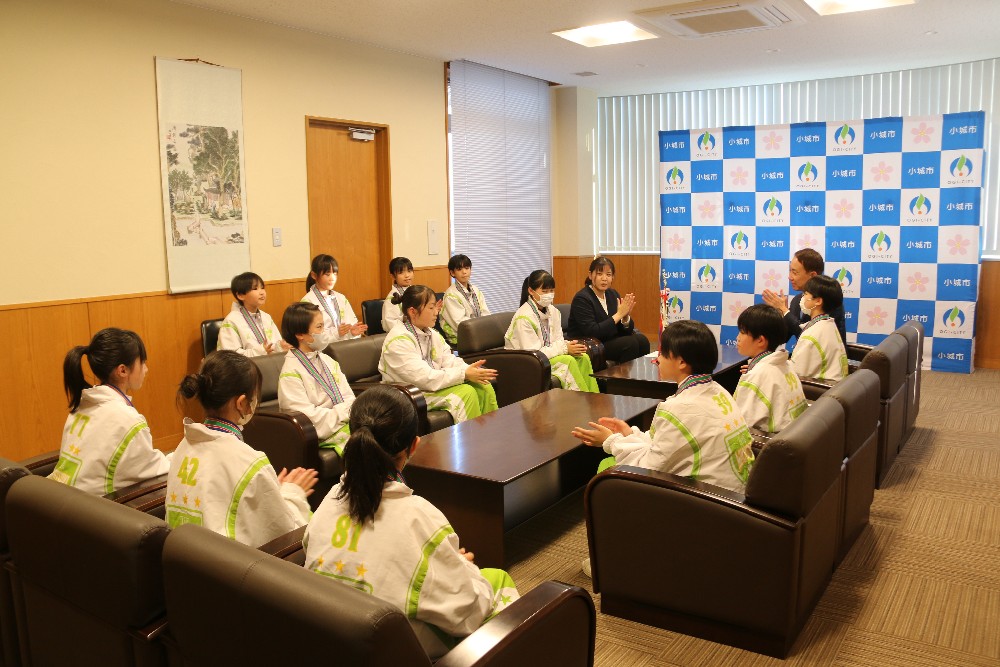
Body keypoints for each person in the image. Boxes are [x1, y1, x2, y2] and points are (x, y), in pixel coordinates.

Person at [303, 386, 519, 658]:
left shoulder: (330, 499)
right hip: (396, 650)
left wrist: (446, 563)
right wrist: (461, 567)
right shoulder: (419, 516)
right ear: (413, 445)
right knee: (496, 581)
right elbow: (468, 612)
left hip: (333, 642)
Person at [168, 350, 318, 547]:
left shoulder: (182, 447)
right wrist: (293, 493)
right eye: (254, 396)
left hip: (185, 561)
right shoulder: (250, 462)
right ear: (241, 402)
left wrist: (272, 490)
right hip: (227, 571)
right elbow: (284, 530)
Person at [49, 328, 171, 495]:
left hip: (61, 500)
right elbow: (155, 471)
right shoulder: (128, 420)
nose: (146, 369)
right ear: (122, 370)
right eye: (142, 362)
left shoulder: (81, 405)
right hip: (97, 512)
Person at [379, 286, 498, 423]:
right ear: (413, 312)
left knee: (484, 386)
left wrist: (469, 370)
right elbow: (425, 378)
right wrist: (464, 374)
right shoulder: (398, 341)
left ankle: (490, 437)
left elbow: (449, 360)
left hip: (431, 386)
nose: (437, 312)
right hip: (409, 394)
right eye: (431, 308)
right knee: (466, 393)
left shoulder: (432, 333)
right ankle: (471, 443)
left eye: (436, 307)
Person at [278, 302, 356, 454]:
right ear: (300, 334)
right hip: (324, 431)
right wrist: (343, 413)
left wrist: (348, 411)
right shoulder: (290, 372)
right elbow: (306, 417)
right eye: (319, 327)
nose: (325, 332)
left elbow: (348, 396)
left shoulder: (327, 360)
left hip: (344, 419)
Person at [505, 270, 598, 393]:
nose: (549, 295)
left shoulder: (554, 311)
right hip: (528, 362)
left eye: (551, 291)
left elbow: (558, 339)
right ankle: (583, 406)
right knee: (568, 361)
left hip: (547, 356)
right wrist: (565, 348)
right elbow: (533, 354)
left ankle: (594, 400)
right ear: (531, 291)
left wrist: (567, 346)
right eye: (544, 291)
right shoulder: (523, 317)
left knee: (583, 357)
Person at [733, 304, 808, 433]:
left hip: (768, 445)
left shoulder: (758, 375)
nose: (737, 338)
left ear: (760, 340)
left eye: (742, 332)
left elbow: (739, 426)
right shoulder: (785, 364)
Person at [566, 255, 650, 364]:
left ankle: (641, 380)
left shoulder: (612, 294)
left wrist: (625, 317)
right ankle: (622, 381)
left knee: (642, 340)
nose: (604, 278)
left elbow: (625, 330)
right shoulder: (582, 298)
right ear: (590, 275)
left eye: (608, 274)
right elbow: (592, 331)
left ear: (612, 278)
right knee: (630, 343)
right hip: (590, 344)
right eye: (599, 274)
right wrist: (619, 315)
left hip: (607, 340)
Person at [762, 248, 847, 345]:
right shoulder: (797, 300)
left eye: (795, 272)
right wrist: (780, 314)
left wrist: (785, 311)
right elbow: (783, 338)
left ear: (812, 275)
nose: (790, 277)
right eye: (790, 271)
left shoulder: (828, 301)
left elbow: (811, 337)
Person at [790, 275, 849, 382]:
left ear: (818, 301)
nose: (802, 298)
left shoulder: (811, 335)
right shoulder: (829, 324)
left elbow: (794, 374)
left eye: (806, 294)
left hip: (816, 392)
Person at [217, 271, 289, 357]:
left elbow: (274, 344)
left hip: (269, 363)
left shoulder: (266, 317)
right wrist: (261, 351)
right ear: (240, 295)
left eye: (262, 288)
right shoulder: (231, 321)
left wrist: (280, 346)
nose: (262, 292)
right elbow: (231, 357)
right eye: (255, 289)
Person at [302, 254, 366, 345]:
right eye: (327, 274)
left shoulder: (341, 298)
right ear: (314, 275)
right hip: (322, 350)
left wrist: (352, 333)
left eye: (335, 274)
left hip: (344, 346)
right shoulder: (308, 302)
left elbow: (350, 324)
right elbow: (311, 337)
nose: (332, 278)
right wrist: (337, 334)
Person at [440, 254, 491, 346]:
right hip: (460, 335)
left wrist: (486, 327)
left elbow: (485, 312)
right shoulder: (451, 295)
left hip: (477, 329)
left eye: (467, 268)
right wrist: (480, 329)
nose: (464, 272)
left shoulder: (476, 290)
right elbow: (460, 323)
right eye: (459, 269)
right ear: (452, 273)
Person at [381, 256, 414, 332]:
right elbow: (390, 324)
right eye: (401, 272)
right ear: (393, 276)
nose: (407, 275)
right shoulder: (392, 299)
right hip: (403, 335)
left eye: (409, 271)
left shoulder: (415, 291)